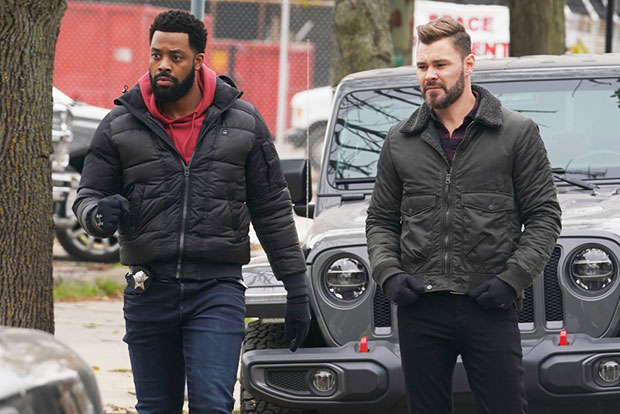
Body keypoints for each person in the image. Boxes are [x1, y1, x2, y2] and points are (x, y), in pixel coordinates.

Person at [73, 10, 311, 414]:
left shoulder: (243, 122)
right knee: (156, 408)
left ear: (199, 60)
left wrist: (296, 287)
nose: (163, 65)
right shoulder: (120, 124)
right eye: (156, 55)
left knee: (212, 406)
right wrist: (96, 215)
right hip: (149, 290)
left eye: (176, 57)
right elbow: (88, 196)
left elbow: (272, 209)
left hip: (216, 290)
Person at [366, 18, 561, 414]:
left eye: (441, 64)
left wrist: (512, 279)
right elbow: (381, 220)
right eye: (423, 66)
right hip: (420, 307)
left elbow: (544, 215)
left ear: (469, 64)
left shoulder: (516, 133)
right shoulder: (400, 140)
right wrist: (388, 273)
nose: (430, 75)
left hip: (489, 304)